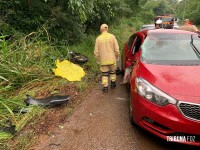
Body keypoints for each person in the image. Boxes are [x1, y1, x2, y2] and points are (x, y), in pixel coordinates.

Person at [94, 24, 120, 93]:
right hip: (112, 59)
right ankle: (113, 84)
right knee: (113, 71)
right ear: (107, 29)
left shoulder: (98, 38)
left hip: (103, 60)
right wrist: (117, 57)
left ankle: (105, 88)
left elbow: (96, 52)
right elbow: (117, 49)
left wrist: (98, 59)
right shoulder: (112, 37)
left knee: (104, 74)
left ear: (101, 30)